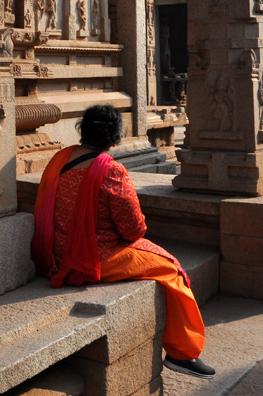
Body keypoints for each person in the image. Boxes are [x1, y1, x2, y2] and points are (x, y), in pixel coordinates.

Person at [31, 104, 215, 380]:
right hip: (92, 257)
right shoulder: (111, 170)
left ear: (83, 132)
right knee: (171, 268)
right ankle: (182, 353)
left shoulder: (59, 159)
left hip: (52, 253)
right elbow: (133, 230)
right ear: (115, 139)